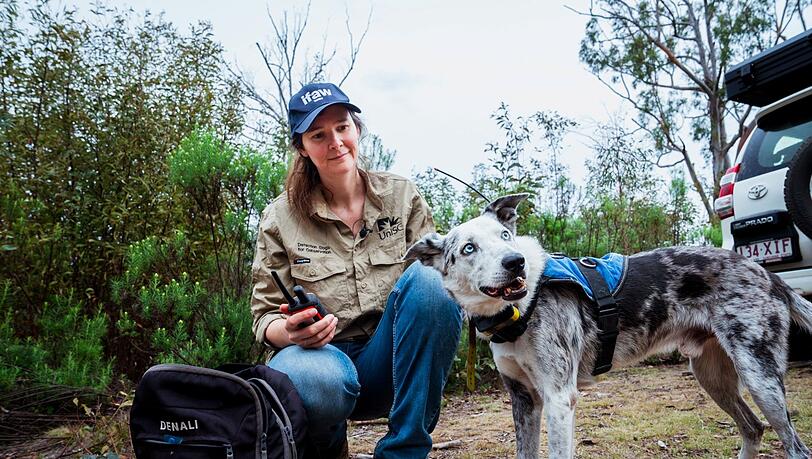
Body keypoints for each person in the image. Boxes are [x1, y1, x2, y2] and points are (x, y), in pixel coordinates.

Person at [250, 82, 463, 459]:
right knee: (316, 377)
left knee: (434, 277)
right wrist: (293, 331)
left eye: (342, 127)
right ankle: (329, 450)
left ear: (357, 129)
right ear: (302, 147)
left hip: (392, 361)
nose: (335, 142)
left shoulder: (402, 196)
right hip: (320, 364)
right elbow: (264, 318)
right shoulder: (279, 217)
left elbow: (441, 292)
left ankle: (404, 451)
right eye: (319, 135)